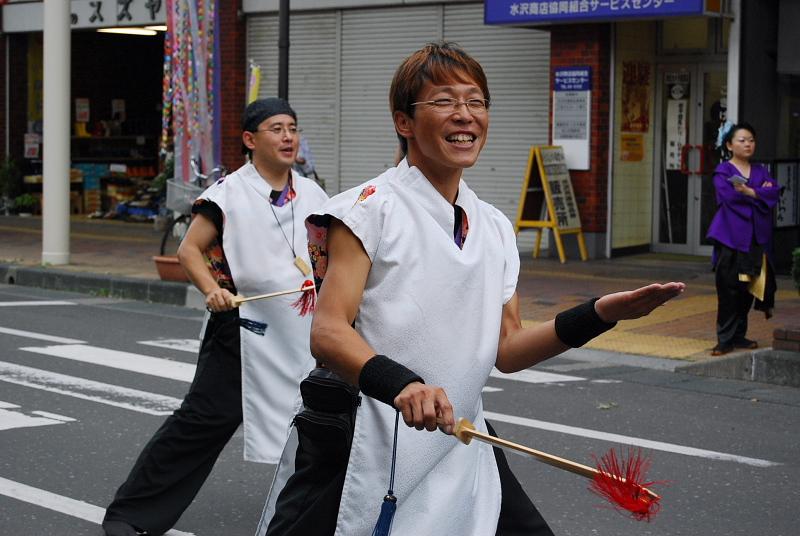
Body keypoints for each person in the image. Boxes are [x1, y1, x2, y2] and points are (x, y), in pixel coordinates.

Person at [257, 42, 685, 536]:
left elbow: (508, 349)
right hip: (365, 437)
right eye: (444, 101)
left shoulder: (495, 227)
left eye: (476, 101)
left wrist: (598, 314)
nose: (465, 114)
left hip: (459, 438)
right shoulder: (367, 210)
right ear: (404, 121)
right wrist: (403, 385)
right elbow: (328, 332)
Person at [102, 98, 328, 536]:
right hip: (243, 327)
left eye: (293, 128)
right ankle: (130, 515)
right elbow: (189, 250)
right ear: (250, 140)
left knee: (318, 424)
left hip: (302, 329)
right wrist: (213, 290)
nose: (288, 137)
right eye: (276, 129)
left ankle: (314, 517)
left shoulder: (314, 193)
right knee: (203, 422)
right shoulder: (227, 193)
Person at [706, 122, 780, 356]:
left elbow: (774, 192)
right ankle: (724, 339)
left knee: (748, 289)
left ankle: (739, 336)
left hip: (755, 240)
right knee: (728, 290)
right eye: (742, 140)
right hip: (731, 238)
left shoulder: (760, 171)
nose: (748, 144)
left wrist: (749, 192)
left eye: (751, 140)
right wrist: (759, 194)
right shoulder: (723, 171)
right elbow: (730, 199)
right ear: (729, 145)